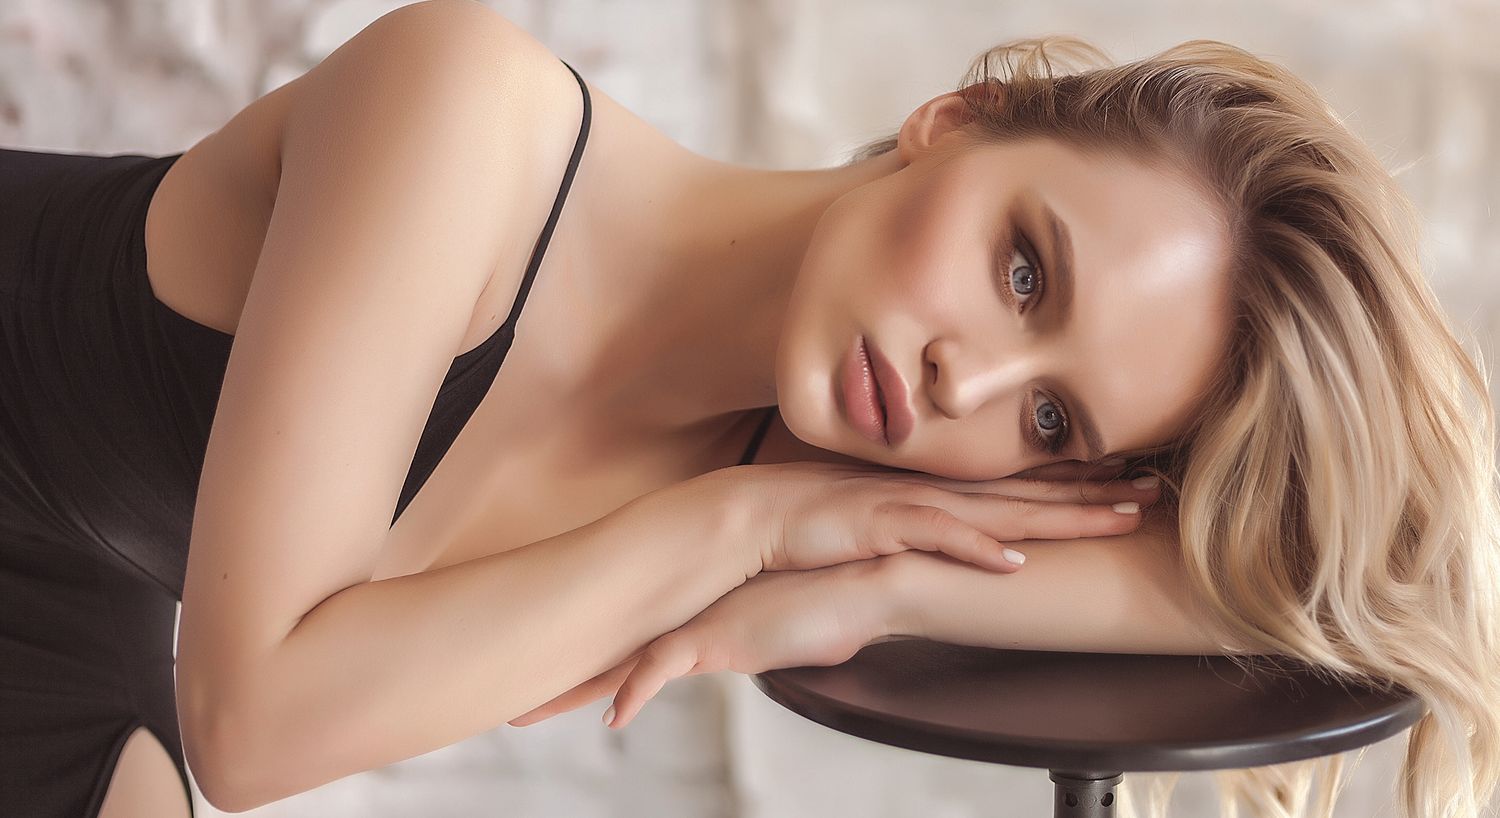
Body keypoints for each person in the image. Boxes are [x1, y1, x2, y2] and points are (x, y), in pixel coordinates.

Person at [0, 1, 1492, 817]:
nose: (961, 383)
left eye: (1051, 428)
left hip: (70, 606)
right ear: (950, 122)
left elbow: (1327, 588)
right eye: (1024, 268)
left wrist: (871, 571)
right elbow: (253, 725)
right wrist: (739, 527)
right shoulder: (467, 117)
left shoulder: (836, 474)